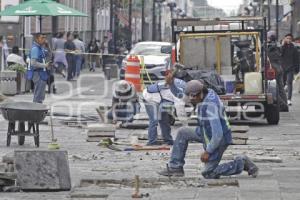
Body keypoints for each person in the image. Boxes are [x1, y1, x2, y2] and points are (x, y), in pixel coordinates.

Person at [158, 79, 259, 179]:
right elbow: (182, 96)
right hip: (205, 131)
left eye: (193, 96)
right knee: (183, 132)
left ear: (200, 93)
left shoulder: (211, 107)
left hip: (219, 139)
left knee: (208, 173)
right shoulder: (206, 92)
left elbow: (218, 134)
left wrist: (208, 151)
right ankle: (175, 167)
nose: (191, 99)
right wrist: (172, 85)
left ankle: (241, 162)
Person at [142, 77, 186, 146]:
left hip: (160, 98)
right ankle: (152, 141)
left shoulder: (183, 85)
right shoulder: (180, 92)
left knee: (164, 120)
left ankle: (168, 140)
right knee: (154, 120)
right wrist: (186, 125)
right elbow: (180, 111)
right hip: (150, 97)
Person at [267, 31, 288, 112]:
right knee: (281, 88)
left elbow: (268, 54)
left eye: (268, 37)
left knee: (274, 88)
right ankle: (285, 105)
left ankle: (282, 105)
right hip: (279, 67)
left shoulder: (271, 46)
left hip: (273, 69)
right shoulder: (278, 45)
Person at [30, 33, 51, 103]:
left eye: (44, 38)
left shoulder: (41, 48)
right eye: (42, 38)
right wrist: (44, 65)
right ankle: (35, 110)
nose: (44, 39)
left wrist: (48, 46)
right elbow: (33, 63)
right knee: (38, 94)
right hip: (38, 73)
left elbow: (49, 55)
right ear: (37, 39)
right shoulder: (35, 49)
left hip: (42, 73)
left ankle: (39, 109)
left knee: (41, 94)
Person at [281, 33, 299, 106]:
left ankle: (289, 99)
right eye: (287, 38)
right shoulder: (282, 47)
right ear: (285, 39)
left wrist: (296, 70)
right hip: (282, 68)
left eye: (290, 39)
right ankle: (282, 99)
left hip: (290, 69)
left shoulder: (294, 49)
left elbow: (297, 60)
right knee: (282, 84)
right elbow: (279, 55)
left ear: (291, 40)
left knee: (289, 83)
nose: (288, 40)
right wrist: (282, 45)